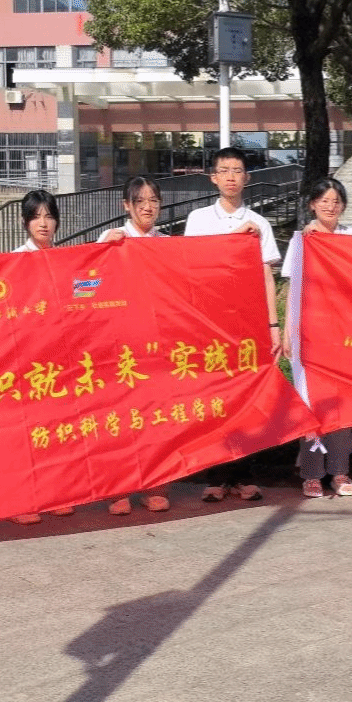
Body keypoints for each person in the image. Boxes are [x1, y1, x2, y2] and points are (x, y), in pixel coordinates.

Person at [183, 147, 282, 503]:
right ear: (213, 177)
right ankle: (216, 475)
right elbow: (195, 266)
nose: (230, 177)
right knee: (213, 401)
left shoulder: (260, 223)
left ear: (247, 178)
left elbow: (267, 276)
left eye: (237, 170)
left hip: (247, 323)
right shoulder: (198, 219)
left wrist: (273, 325)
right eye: (224, 170)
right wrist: (236, 238)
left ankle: (243, 475)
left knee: (245, 400)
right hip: (210, 322)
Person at [282, 178, 352, 498]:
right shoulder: (302, 240)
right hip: (309, 334)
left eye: (336, 201)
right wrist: (287, 332)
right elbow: (292, 290)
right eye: (324, 201)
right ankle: (312, 473)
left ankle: (340, 471)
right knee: (311, 402)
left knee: (344, 403)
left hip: (345, 335)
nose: (330, 206)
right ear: (312, 204)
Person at [100, 176, 172, 515]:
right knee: (121, 417)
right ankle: (120, 488)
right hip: (120, 344)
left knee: (157, 416)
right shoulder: (112, 239)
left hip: (158, 343)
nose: (148, 207)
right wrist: (102, 251)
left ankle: (155, 485)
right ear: (126, 205)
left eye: (153, 200)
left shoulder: (166, 243)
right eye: (140, 200)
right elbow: (87, 284)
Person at [7, 189, 78, 525]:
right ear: (25, 222)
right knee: (26, 432)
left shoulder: (65, 260)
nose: (43, 223)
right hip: (25, 357)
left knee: (56, 430)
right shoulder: (13, 261)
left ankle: (56, 494)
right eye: (36, 217)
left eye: (49, 216)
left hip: (59, 357)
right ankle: (23, 499)